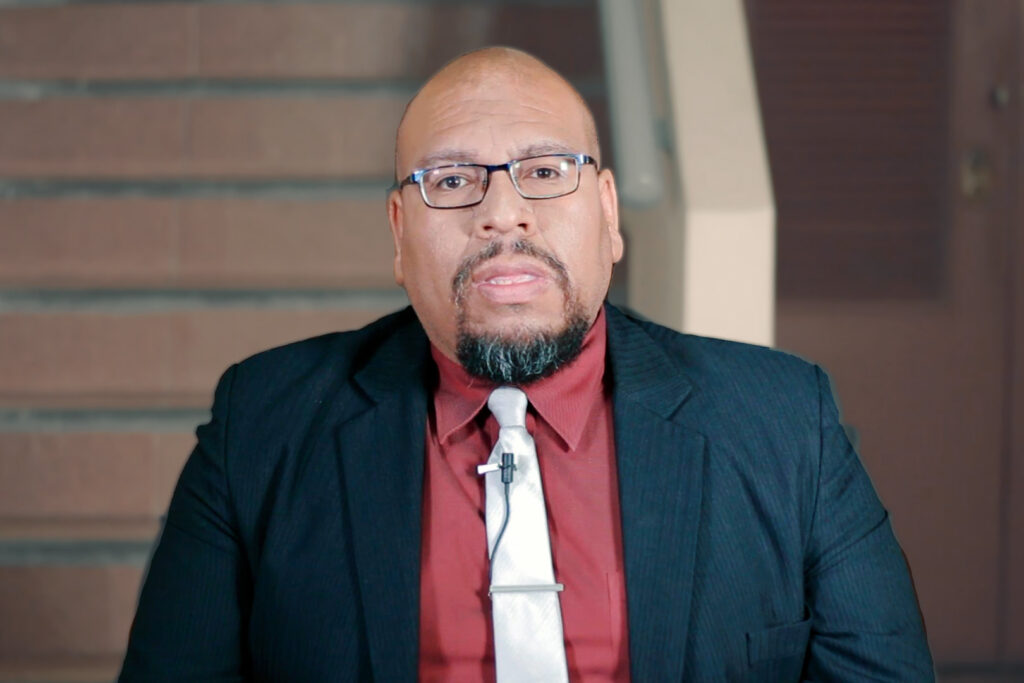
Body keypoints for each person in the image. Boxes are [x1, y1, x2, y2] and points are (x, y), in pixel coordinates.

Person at [119, 47, 934, 681]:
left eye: (545, 172)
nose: (502, 213)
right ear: (398, 234)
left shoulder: (786, 422)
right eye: (452, 180)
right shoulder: (262, 425)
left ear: (608, 213)